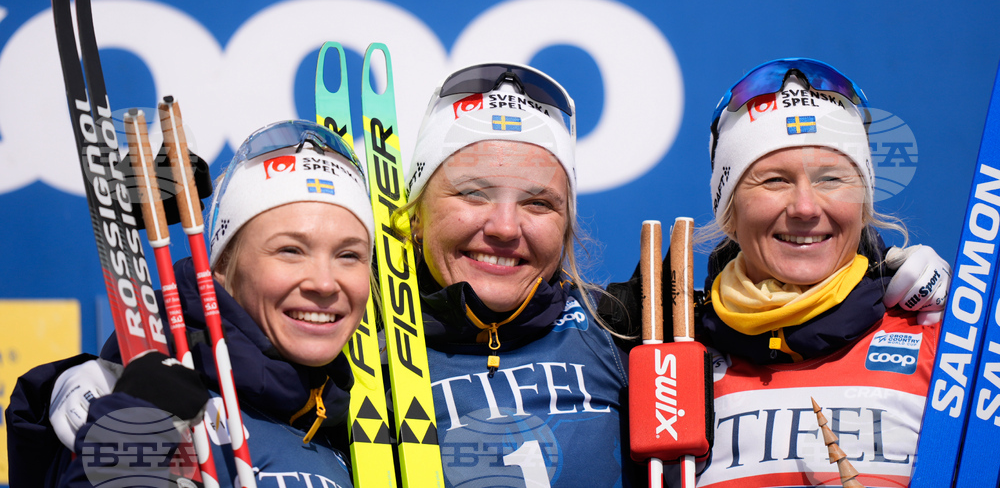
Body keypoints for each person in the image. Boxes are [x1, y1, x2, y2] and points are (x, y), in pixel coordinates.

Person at [6, 120, 374, 487]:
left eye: (349, 255)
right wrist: (130, 434)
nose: (325, 282)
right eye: (290, 250)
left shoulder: (355, 429)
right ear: (222, 267)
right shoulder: (140, 397)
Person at [689, 58, 949, 487]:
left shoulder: (941, 342)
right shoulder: (673, 363)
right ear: (729, 211)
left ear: (864, 203)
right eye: (773, 180)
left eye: (831, 178)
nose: (806, 208)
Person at [403, 63, 637, 487]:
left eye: (538, 203)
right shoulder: (356, 356)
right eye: (473, 193)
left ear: (566, 225)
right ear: (416, 214)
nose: (505, 228)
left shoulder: (619, 332)